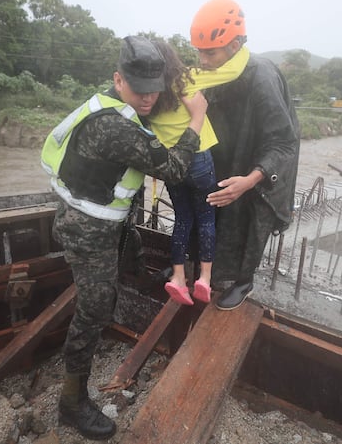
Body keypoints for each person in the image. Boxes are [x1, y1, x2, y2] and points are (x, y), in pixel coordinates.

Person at [40, 35, 207, 440]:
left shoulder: (111, 106)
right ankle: (72, 403)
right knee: (95, 309)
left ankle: (77, 383)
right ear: (118, 80)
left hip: (90, 217)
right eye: (140, 90)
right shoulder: (115, 128)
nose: (149, 99)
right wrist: (196, 117)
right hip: (88, 228)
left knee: (125, 270)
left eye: (156, 90)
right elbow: (175, 168)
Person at [189, 0, 300, 311]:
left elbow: (283, 142)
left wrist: (251, 179)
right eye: (198, 51)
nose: (203, 60)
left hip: (261, 162)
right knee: (211, 210)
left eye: (209, 52)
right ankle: (202, 271)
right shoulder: (211, 74)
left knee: (251, 221)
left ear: (235, 45)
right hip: (226, 156)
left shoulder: (261, 75)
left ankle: (243, 281)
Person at [147, 40, 249, 305]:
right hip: (198, 158)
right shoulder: (184, 79)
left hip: (170, 164)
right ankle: (204, 278)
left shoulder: (148, 93)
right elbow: (232, 71)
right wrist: (242, 45)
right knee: (206, 218)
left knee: (182, 218)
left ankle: (179, 278)